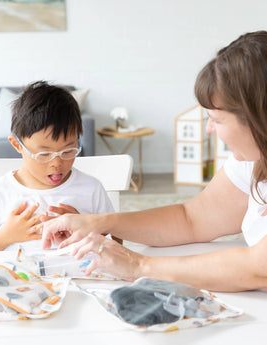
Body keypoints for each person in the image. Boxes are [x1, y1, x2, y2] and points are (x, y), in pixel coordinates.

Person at [40, 31, 267, 292]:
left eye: (217, 119)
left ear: (257, 118)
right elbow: (191, 219)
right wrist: (100, 222)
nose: (209, 130)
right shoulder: (252, 162)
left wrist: (139, 266)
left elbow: (258, 269)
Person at [0, 81, 114, 252]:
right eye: (44, 154)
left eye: (68, 151)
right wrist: (5, 236)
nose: (57, 163)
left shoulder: (91, 188)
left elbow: (116, 240)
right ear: (17, 145)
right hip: (17, 277)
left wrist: (86, 228)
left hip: (78, 277)